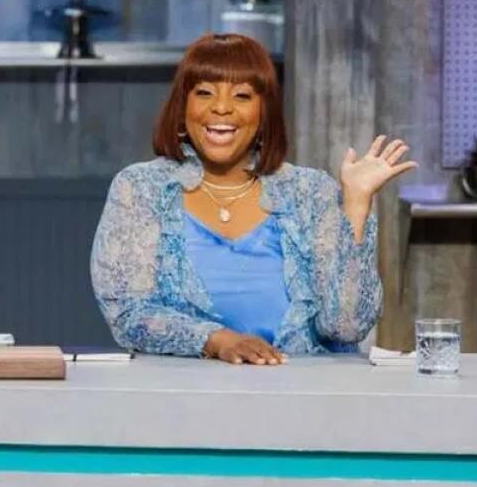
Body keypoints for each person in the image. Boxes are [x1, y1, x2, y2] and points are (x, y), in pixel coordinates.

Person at [91, 33, 415, 366]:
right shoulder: (140, 188)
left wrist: (356, 203)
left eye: (242, 95)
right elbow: (128, 313)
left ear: (264, 114)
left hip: (302, 386)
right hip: (184, 388)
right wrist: (217, 341)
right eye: (205, 92)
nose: (221, 107)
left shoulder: (310, 192)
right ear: (183, 107)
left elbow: (347, 327)